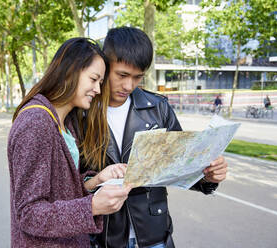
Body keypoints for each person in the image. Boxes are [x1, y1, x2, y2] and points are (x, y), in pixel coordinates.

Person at [81, 27, 228, 248]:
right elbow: (71, 181)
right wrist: (96, 182)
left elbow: (182, 169)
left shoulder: (159, 108)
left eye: (138, 77)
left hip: (154, 236)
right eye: (122, 75)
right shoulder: (83, 111)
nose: (129, 85)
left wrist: (209, 177)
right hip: (102, 237)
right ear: (105, 65)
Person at [7, 38, 131, 248]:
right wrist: (91, 207)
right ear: (69, 71)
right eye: (93, 79)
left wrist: (99, 179)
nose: (98, 90)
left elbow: (62, 189)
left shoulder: (66, 121)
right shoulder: (35, 123)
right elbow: (29, 213)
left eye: (100, 83)